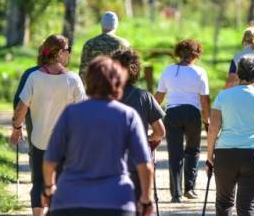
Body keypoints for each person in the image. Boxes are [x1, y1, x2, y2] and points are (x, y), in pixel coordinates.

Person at [42, 56, 155, 216]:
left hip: (70, 200)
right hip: (116, 201)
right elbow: (145, 165)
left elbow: (50, 160)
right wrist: (146, 198)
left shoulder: (70, 113)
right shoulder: (128, 116)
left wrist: (48, 189)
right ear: (118, 82)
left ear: (89, 81)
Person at [10, 35, 86, 216]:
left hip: (40, 141)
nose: (69, 54)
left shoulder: (34, 77)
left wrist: (17, 129)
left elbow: (21, 108)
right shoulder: (73, 80)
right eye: (67, 50)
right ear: (59, 53)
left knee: (38, 183)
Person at [207, 54, 254, 216]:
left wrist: (210, 155)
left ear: (238, 73)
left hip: (225, 153)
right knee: (247, 206)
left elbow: (213, 128)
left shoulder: (223, 96)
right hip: (252, 154)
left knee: (223, 203)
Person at [154, 39, 211, 203]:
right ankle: (189, 188)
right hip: (192, 113)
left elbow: (159, 97)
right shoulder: (200, 72)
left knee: (175, 152)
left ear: (179, 53)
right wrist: (207, 121)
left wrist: (151, 116)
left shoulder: (168, 71)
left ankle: (176, 194)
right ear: (196, 55)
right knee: (193, 150)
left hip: (172, 113)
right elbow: (204, 100)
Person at [111, 48, 166, 202]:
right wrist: (146, 140)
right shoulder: (144, 97)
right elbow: (160, 132)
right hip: (138, 162)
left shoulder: (105, 97)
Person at [79, 11, 130, 77]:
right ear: (116, 25)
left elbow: (83, 71)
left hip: (95, 85)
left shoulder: (90, 44)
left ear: (101, 24)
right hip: (117, 85)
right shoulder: (124, 44)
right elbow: (129, 71)